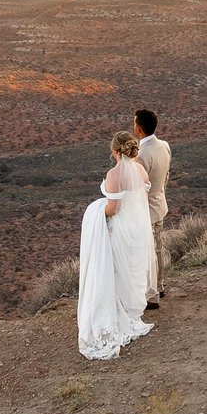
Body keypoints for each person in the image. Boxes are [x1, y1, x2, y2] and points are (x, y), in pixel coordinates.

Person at [74, 128, 155, 360]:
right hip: (138, 228)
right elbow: (141, 196)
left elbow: (113, 209)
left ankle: (119, 313)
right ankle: (131, 310)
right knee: (132, 267)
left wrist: (96, 209)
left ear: (114, 151)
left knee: (117, 270)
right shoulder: (140, 170)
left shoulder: (113, 175)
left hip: (121, 228)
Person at [135, 109, 171, 307]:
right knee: (158, 248)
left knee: (147, 252)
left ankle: (151, 296)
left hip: (145, 210)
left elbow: (138, 188)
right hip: (160, 203)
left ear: (139, 129)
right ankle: (160, 285)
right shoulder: (164, 146)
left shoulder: (141, 155)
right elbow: (165, 176)